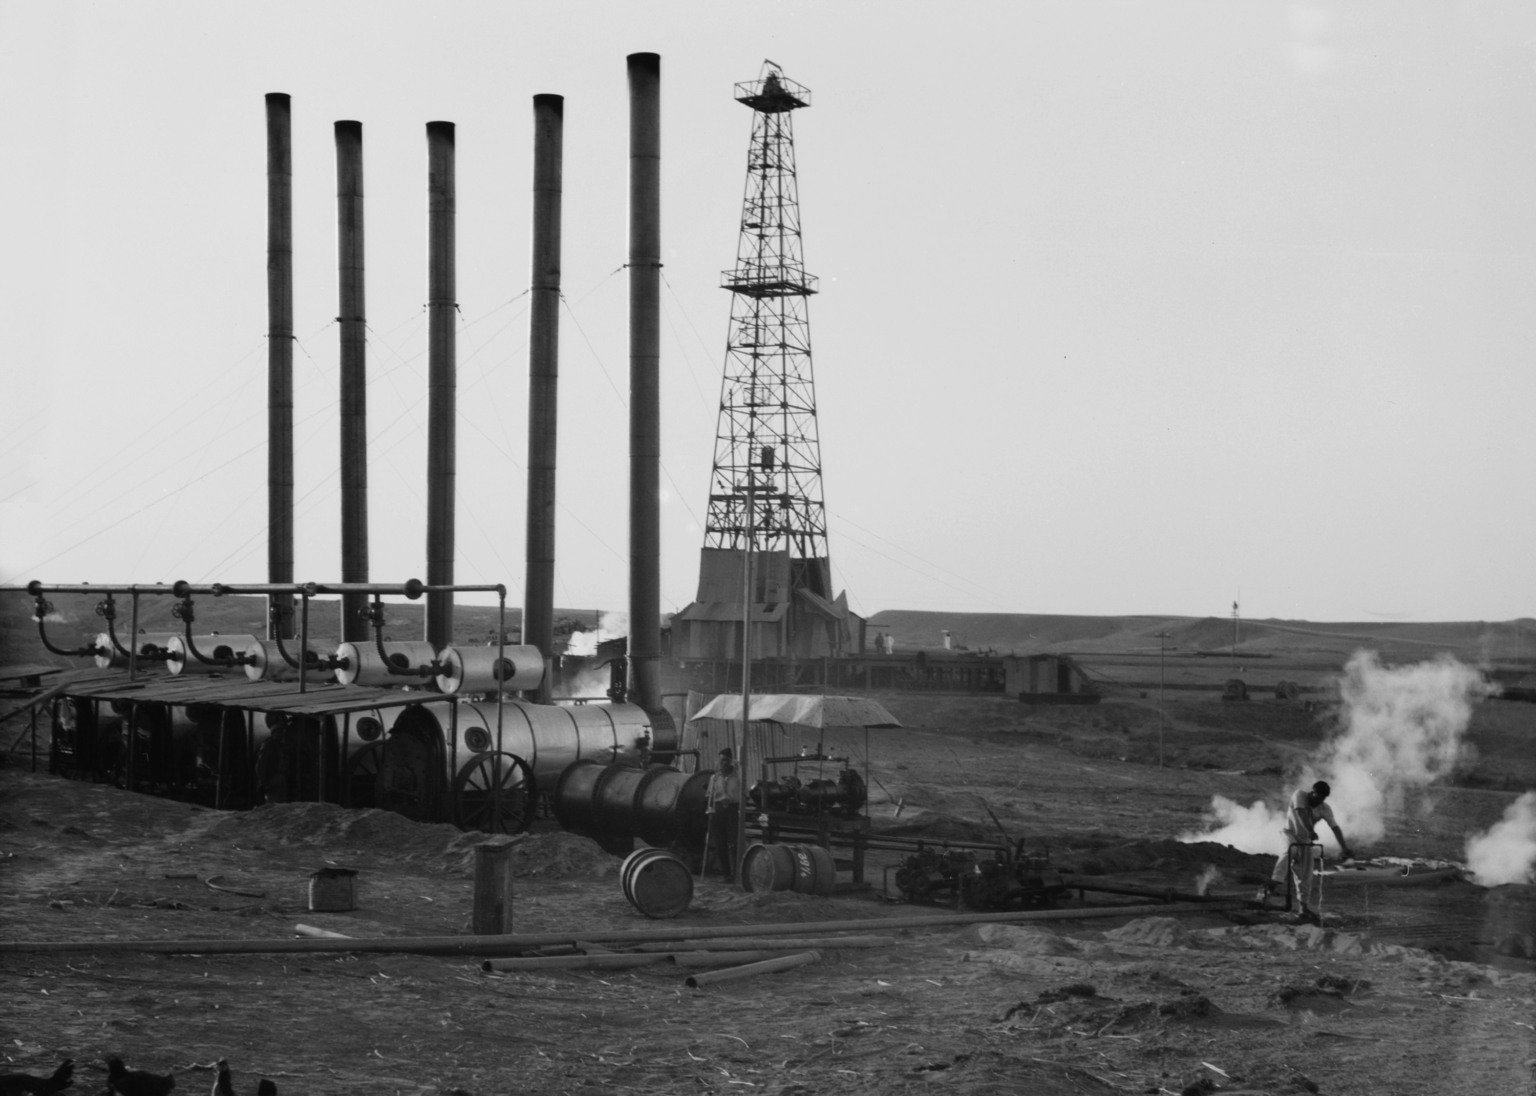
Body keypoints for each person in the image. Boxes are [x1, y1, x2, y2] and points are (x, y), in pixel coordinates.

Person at [1260, 779, 1354, 923]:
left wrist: (1345, 848)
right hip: (1289, 833)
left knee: (1306, 874)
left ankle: (1303, 908)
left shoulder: (1324, 808)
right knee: (1288, 852)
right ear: (1312, 792)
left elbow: (1334, 827)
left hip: (1305, 841)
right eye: (1317, 797)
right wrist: (1310, 831)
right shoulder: (1300, 795)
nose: (1318, 801)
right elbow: (1301, 814)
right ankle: (1269, 889)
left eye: (1322, 798)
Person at [705, 748, 743, 882]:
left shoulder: (738, 776)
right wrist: (710, 810)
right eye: (722, 760)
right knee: (720, 843)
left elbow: (743, 794)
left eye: (726, 760)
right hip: (718, 810)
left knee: (733, 843)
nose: (724, 763)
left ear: (731, 761)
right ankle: (726, 874)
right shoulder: (714, 778)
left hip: (732, 810)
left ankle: (737, 872)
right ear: (719, 761)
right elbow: (709, 796)